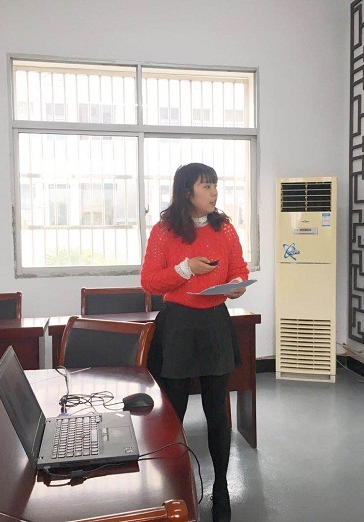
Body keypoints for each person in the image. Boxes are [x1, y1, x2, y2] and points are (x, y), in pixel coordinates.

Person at [141, 162, 248, 522]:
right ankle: (174, 487)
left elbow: (239, 269)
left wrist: (236, 286)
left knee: (217, 411)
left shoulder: (225, 228)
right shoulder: (164, 230)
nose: (214, 192)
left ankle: (221, 486)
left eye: (215, 185)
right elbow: (149, 281)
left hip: (215, 321)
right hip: (178, 325)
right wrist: (186, 268)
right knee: (175, 412)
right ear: (187, 192)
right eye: (206, 186)